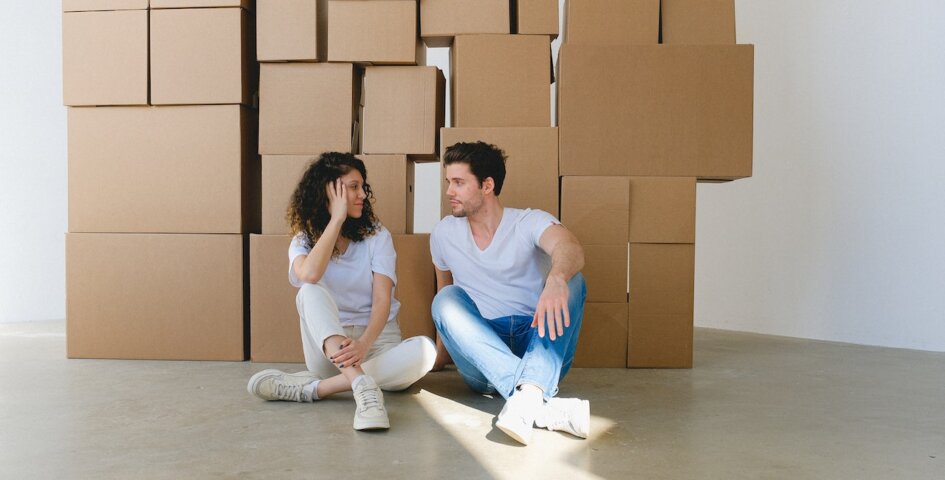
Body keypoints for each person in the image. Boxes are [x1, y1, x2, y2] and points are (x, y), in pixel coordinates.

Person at [247, 152, 436, 431]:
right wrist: (336, 221)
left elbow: (383, 299)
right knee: (308, 290)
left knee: (425, 351)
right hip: (330, 349)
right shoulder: (303, 240)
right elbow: (309, 275)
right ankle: (360, 384)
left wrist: (363, 345)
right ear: (329, 192)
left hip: (378, 343)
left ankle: (316, 389)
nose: (362, 194)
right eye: (352, 187)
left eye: (362, 186)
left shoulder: (377, 235)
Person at [430, 141, 589, 445]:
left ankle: (527, 396)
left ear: (487, 185)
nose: (449, 191)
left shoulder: (528, 221)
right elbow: (445, 295)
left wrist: (556, 278)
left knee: (573, 280)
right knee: (446, 299)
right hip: (482, 355)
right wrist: (441, 353)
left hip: (539, 342)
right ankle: (536, 399)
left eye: (459, 183)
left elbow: (570, 248)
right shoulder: (443, 233)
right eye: (448, 182)